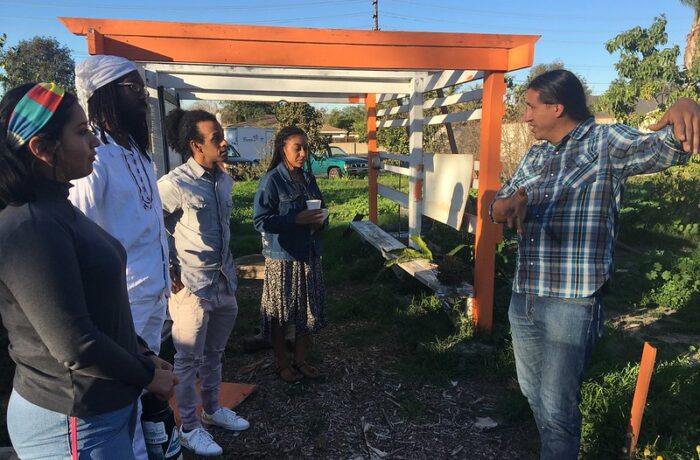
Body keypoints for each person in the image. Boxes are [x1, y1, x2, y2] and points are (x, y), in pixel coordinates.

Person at [490, 69, 699, 460]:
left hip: (571, 302)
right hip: (525, 297)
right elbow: (495, 206)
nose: (526, 117)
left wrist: (686, 107)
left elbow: (663, 148)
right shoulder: (536, 153)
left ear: (557, 107)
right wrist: (507, 207)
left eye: (531, 108)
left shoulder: (606, 141)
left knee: (557, 407)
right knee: (533, 394)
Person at [0, 82, 176, 459]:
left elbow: (98, 306)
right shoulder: (31, 226)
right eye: (81, 132)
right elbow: (74, 344)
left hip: (98, 411)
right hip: (72, 419)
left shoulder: (59, 208)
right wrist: (147, 376)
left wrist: (142, 351)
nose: (95, 142)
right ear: (42, 149)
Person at [68, 55, 171, 460]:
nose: (143, 97)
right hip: (118, 302)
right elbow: (81, 235)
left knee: (146, 392)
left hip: (150, 296)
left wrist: (169, 267)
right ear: (107, 93)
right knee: (123, 397)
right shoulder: (94, 157)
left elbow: (145, 225)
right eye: (133, 88)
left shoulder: (137, 151)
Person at [157, 109, 250, 456]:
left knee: (215, 354)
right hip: (192, 288)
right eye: (216, 139)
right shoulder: (174, 183)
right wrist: (169, 267)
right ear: (196, 145)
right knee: (187, 361)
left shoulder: (223, 179)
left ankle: (211, 411)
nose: (224, 143)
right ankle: (188, 427)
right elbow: (152, 224)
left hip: (224, 282)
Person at [253, 126, 328, 383]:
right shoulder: (272, 180)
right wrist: (296, 219)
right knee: (281, 314)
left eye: (306, 147)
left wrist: (320, 222)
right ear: (283, 148)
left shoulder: (308, 179)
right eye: (298, 147)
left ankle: (300, 360)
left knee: (306, 311)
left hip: (309, 253)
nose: (303, 153)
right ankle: (282, 363)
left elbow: (321, 209)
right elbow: (261, 221)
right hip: (282, 257)